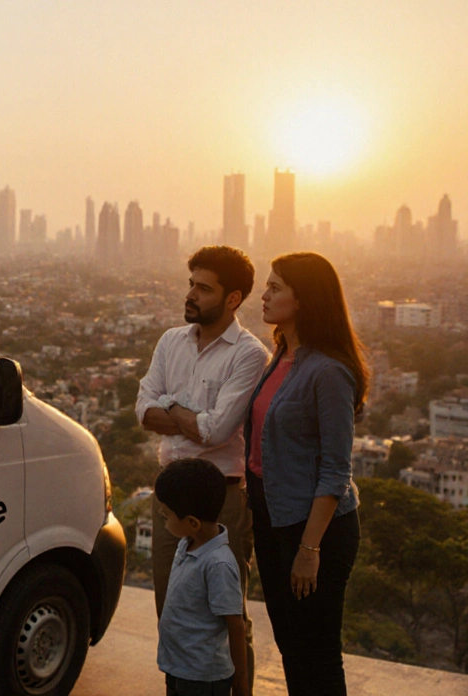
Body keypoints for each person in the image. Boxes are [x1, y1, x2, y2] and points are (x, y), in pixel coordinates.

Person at [136, 245, 268, 691]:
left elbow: (218, 431)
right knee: (170, 605)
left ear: (233, 299)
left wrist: (168, 407)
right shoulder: (171, 341)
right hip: (170, 495)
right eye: (191, 283)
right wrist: (188, 418)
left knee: (229, 614)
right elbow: (142, 410)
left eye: (203, 287)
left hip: (221, 499)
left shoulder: (249, 355)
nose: (191, 294)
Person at [244, 252, 366, 696]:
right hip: (274, 517)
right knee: (292, 645)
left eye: (276, 288)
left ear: (305, 299)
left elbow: (335, 469)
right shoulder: (281, 354)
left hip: (314, 529)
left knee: (317, 651)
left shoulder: (328, 371)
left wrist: (309, 549)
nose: (265, 294)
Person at [154, 458, 248, 696]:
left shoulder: (218, 564)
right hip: (177, 667)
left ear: (192, 523)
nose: (162, 519)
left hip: (203, 680)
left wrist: (241, 685)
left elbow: (236, 626)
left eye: (166, 516)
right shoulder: (187, 544)